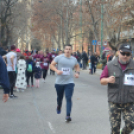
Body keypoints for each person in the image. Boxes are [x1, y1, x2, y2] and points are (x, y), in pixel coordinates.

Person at [100, 43, 134, 134]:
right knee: (115, 129)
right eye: (123, 53)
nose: (125, 56)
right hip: (114, 101)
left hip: (130, 101)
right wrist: (107, 79)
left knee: (131, 124)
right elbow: (101, 80)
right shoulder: (110, 65)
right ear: (119, 52)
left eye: (128, 54)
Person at [50, 44, 80, 122]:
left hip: (69, 82)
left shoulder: (74, 59)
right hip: (59, 82)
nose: (68, 50)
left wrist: (77, 73)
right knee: (60, 98)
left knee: (68, 98)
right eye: (66, 49)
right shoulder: (59, 58)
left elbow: (77, 66)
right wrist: (57, 71)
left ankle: (68, 115)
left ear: (71, 50)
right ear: (64, 50)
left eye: (69, 49)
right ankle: (59, 106)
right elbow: (51, 65)